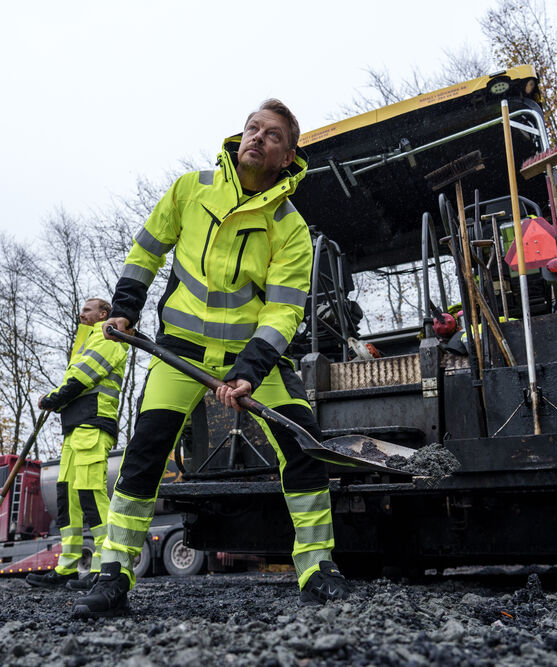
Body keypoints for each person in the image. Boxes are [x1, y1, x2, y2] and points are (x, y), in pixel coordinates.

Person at [72, 99, 351, 619]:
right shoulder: (190, 189)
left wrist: (248, 372)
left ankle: (317, 567)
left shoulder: (290, 228)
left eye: (271, 135)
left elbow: (283, 311)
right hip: (178, 350)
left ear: (288, 157)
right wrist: (127, 308)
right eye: (252, 128)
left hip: (253, 360)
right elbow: (146, 251)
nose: (256, 137)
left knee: (302, 444)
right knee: (146, 452)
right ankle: (113, 573)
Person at [25, 298, 128, 591]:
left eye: (87, 310)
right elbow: (73, 378)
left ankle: (105, 566)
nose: (80, 313)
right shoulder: (84, 343)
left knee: (92, 496)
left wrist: (52, 399)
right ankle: (68, 566)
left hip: (94, 426)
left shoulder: (110, 338)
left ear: (103, 314)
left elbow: (81, 379)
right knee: (67, 498)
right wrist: (58, 399)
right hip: (74, 430)